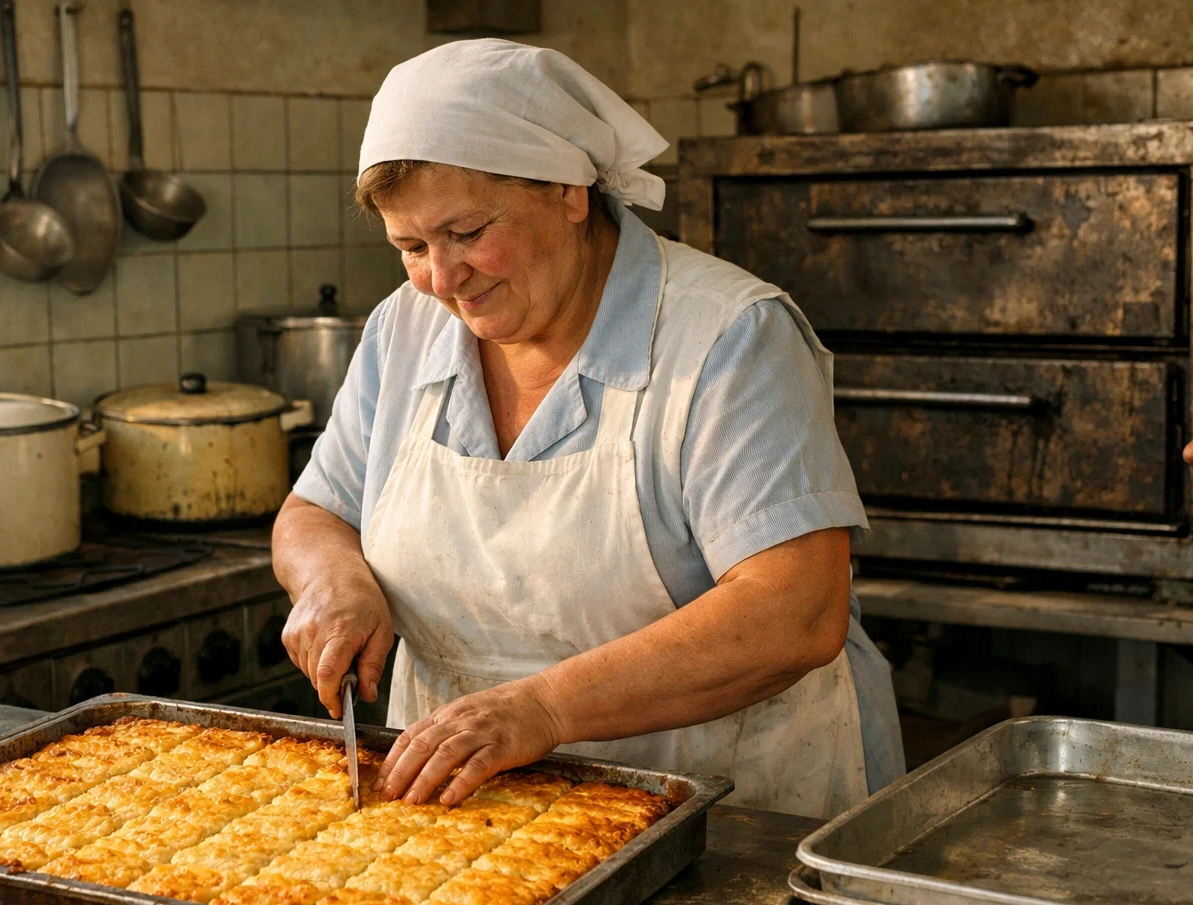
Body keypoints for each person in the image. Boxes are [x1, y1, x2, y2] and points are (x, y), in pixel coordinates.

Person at [272, 38, 902, 818]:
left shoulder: (726, 337)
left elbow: (796, 611)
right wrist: (333, 582)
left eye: (468, 233)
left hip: (730, 816)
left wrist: (543, 708)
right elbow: (316, 512)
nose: (442, 278)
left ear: (570, 191)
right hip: (465, 819)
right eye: (411, 247)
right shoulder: (404, 329)